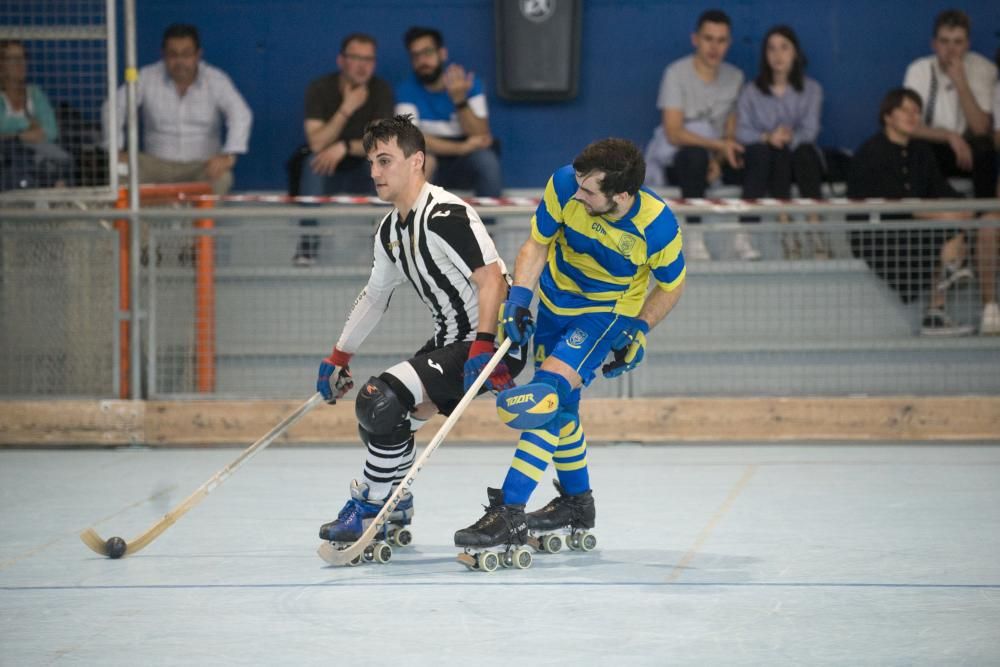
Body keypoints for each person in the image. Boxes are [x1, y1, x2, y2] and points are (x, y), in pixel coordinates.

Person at [454, 138, 686, 557]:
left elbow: (672, 285)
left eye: (588, 191)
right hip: (555, 304)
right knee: (563, 410)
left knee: (546, 397)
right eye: (577, 184)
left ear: (622, 195)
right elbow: (537, 243)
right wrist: (520, 298)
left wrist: (639, 328)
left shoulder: (657, 227)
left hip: (605, 314)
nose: (577, 194)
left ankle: (509, 509)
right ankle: (577, 502)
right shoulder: (563, 185)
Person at [314, 114, 526, 546]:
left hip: (489, 342)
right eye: (371, 162)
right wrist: (339, 355)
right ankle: (395, 500)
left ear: (417, 162)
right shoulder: (390, 229)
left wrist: (485, 346)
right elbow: (375, 296)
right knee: (381, 423)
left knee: (379, 399)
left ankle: (370, 507)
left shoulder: (446, 214)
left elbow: (493, 282)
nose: (374, 172)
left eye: (385, 161)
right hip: (455, 342)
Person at [847, 88, 974, 337]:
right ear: (888, 116)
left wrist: (965, 209)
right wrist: (945, 216)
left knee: (954, 222)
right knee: (945, 226)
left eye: (917, 111)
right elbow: (895, 206)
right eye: (905, 110)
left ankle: (938, 309)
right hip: (878, 235)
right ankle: (949, 274)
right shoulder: (871, 151)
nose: (912, 116)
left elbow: (942, 189)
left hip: (916, 228)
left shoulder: (921, 151)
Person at [648, 9, 755, 261]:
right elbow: (674, 133)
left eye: (721, 40)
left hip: (715, 159)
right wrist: (715, 148)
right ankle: (694, 234)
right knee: (694, 156)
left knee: (757, 155)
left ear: (728, 43)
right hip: (683, 161)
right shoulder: (676, 73)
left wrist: (717, 161)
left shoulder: (735, 77)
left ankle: (745, 230)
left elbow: (731, 132)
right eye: (708, 38)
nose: (714, 47)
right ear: (695, 39)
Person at [106, 23, 252, 195]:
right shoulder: (146, 77)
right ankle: (147, 220)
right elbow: (113, 107)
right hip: (154, 165)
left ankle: (190, 219)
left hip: (201, 165)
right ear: (163, 55)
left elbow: (241, 115)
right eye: (173, 55)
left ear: (198, 54)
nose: (180, 61)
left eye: (186, 54)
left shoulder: (216, 80)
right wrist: (116, 149)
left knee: (222, 179)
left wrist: (229, 155)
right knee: (119, 171)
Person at [292, 33, 394, 266]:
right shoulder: (320, 88)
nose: (362, 65)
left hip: (363, 165)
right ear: (341, 61)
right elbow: (316, 143)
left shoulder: (380, 90)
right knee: (312, 164)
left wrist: (345, 146)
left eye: (368, 59)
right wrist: (347, 108)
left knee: (387, 166)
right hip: (328, 166)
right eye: (356, 58)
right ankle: (307, 245)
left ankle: (385, 246)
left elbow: (382, 144)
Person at [735, 25, 828, 259]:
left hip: (800, 158)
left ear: (795, 52)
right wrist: (767, 137)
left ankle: (815, 227)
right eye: (772, 49)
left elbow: (811, 130)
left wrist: (788, 137)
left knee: (802, 152)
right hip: (766, 158)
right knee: (773, 153)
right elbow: (742, 131)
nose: (778, 55)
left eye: (784, 48)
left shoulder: (812, 89)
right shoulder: (751, 91)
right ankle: (784, 226)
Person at [395, 27, 502, 209]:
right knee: (418, 162)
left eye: (427, 53)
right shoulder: (405, 90)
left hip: (467, 158)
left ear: (442, 54)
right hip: (431, 155)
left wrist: (460, 100)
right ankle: (410, 232)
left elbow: (481, 134)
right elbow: (411, 141)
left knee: (487, 162)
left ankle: (485, 233)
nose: (422, 61)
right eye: (415, 56)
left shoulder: (469, 84)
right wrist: (461, 147)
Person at [902, 9, 997, 199]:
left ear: (967, 45)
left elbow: (980, 129)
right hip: (935, 143)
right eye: (944, 41)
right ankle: (926, 219)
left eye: (958, 42)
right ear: (934, 44)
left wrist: (961, 83)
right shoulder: (919, 70)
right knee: (916, 148)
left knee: (984, 148)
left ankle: (984, 220)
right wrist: (948, 136)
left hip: (969, 149)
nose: (951, 49)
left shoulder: (984, 68)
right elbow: (907, 126)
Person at [0, 40, 73, 190]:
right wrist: (25, 127)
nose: (20, 64)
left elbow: (51, 131)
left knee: (63, 160)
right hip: (8, 159)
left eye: (23, 58)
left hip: (37, 156)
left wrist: (13, 133)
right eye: (13, 59)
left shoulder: (35, 93)